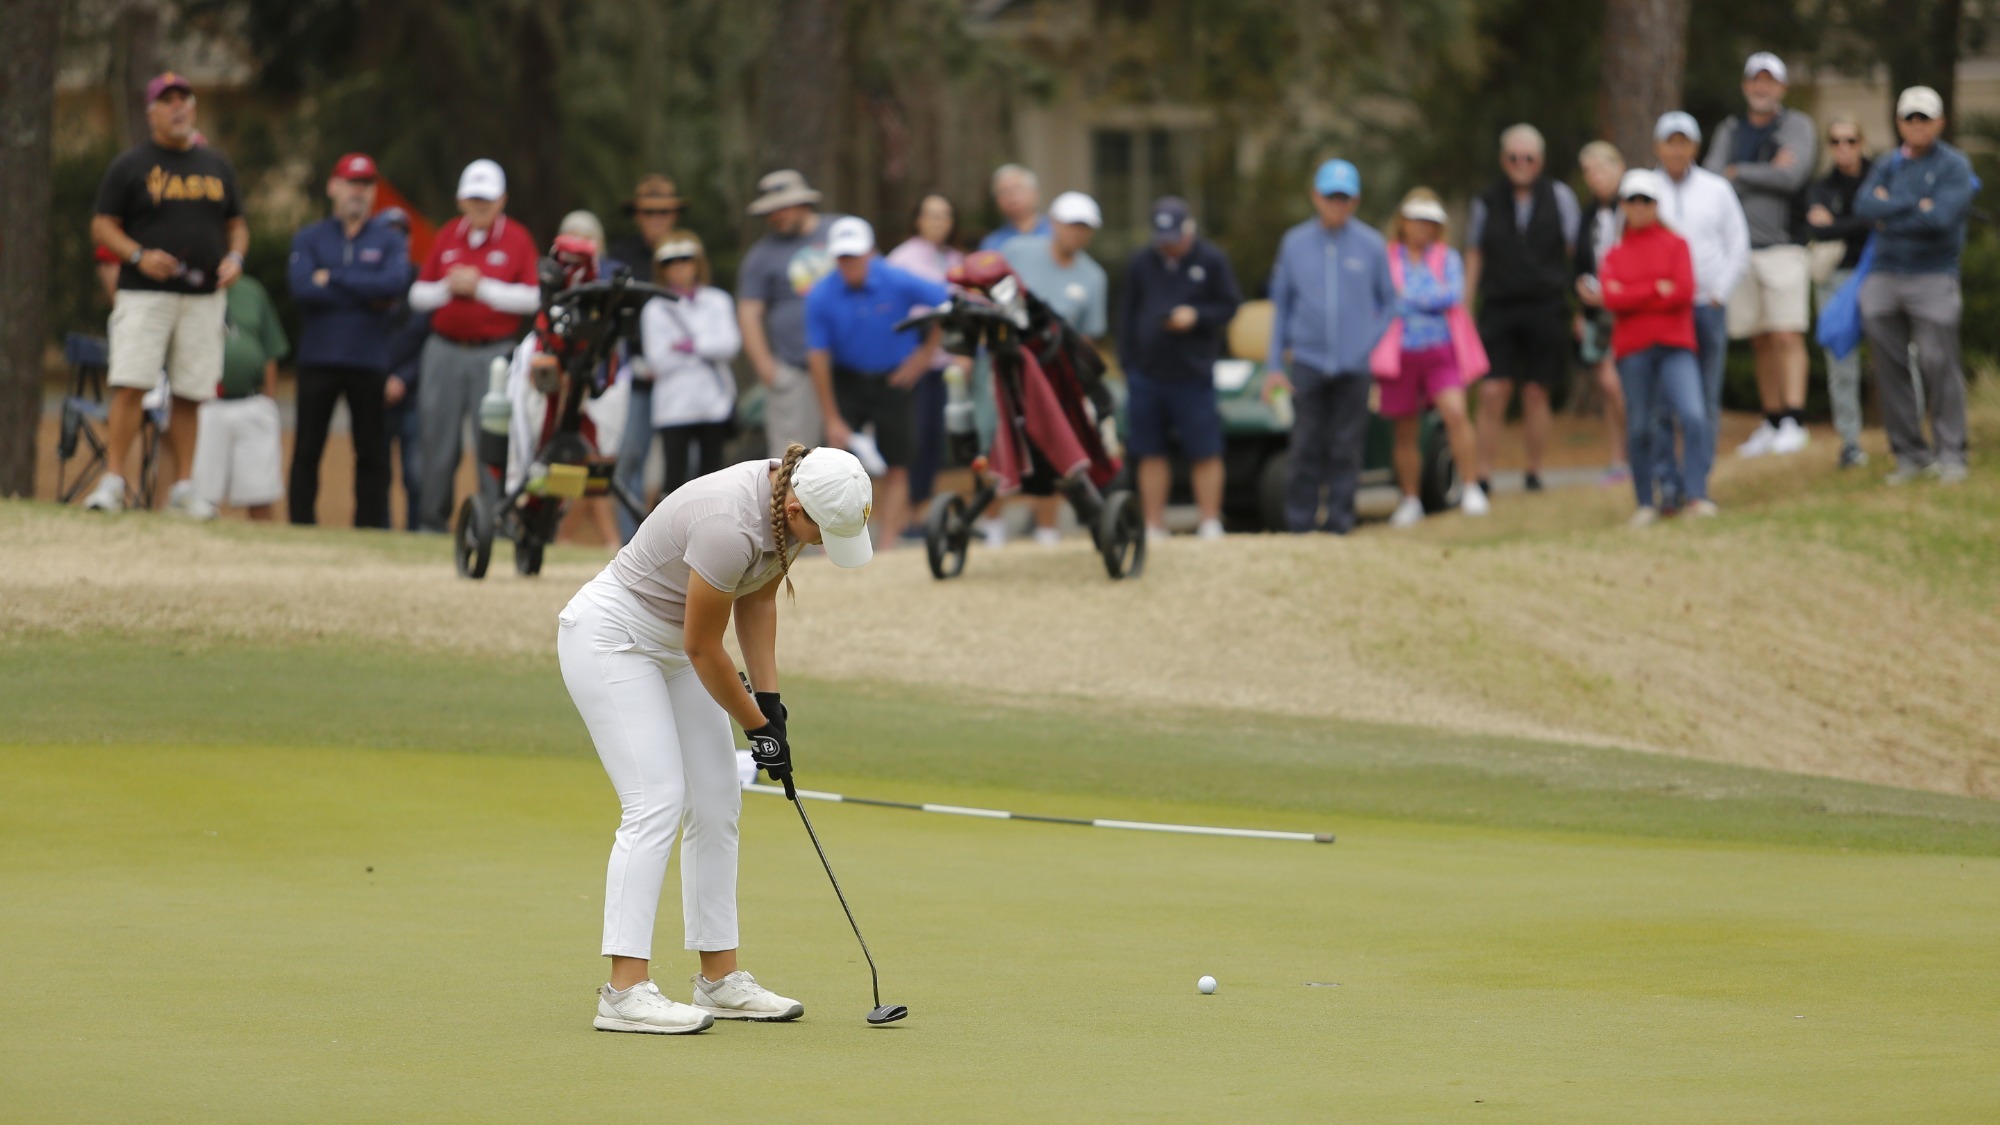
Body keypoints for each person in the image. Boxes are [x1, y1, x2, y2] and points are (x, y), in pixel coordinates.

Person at [558, 442, 877, 1034]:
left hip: (676, 645)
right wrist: (755, 728)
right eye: (821, 533)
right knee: (654, 801)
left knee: (716, 799)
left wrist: (771, 707)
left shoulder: (789, 509)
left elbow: (757, 601)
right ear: (797, 508)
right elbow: (704, 647)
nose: (819, 545)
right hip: (614, 637)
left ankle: (719, 979)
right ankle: (623, 992)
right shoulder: (728, 525)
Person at [84, 72, 249, 515]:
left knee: (191, 392)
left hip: (203, 297)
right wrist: (137, 255)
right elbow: (102, 226)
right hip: (145, 294)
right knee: (131, 385)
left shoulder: (216, 165)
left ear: (193, 108)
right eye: (168, 100)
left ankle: (183, 487)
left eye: (184, 99)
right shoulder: (131, 164)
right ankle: (113, 482)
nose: (178, 107)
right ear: (151, 113)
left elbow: (237, 225)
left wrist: (236, 258)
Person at [407, 159, 540, 532]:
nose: (480, 205)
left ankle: (496, 523)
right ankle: (431, 524)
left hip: (494, 353)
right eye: (474, 198)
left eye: (487, 199)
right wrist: (448, 288)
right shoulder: (448, 235)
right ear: (461, 200)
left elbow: (533, 298)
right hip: (444, 350)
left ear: (502, 201)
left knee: (494, 441)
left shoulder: (517, 238)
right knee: (437, 440)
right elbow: (418, 295)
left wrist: (482, 289)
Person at [1265, 160, 1397, 535]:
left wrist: (1367, 342)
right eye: (1330, 197)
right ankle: (1300, 523)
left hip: (1353, 365)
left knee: (1346, 447)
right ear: (1315, 197)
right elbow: (1282, 307)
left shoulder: (1371, 244)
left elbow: (1389, 302)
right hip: (1307, 361)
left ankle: (1340, 521)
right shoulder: (1294, 243)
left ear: (1355, 201)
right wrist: (1273, 364)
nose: (1336, 205)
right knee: (1304, 444)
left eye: (1344, 198)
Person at [1853, 86, 1975, 486]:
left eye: (1924, 118)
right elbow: (1864, 206)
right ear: (1899, 122)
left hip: (1934, 275)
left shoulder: (1954, 165)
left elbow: (1941, 219)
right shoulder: (1887, 163)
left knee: (1939, 364)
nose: (1917, 124)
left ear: (1940, 122)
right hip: (1885, 275)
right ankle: (1910, 456)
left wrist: (1890, 210)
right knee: (1888, 368)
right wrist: (1916, 203)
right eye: (1910, 118)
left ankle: (1951, 453)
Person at [286, 153, 412, 527]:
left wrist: (334, 278)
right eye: (351, 183)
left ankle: (369, 528)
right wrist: (365, 291)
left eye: (365, 184)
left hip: (368, 358)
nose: (357, 191)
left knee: (371, 452)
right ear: (333, 187)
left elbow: (393, 284)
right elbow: (303, 288)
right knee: (307, 448)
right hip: (318, 357)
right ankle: (301, 524)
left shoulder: (389, 240)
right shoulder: (310, 237)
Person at [805, 217, 948, 546]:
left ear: (870, 253)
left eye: (855, 255)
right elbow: (818, 357)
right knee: (833, 461)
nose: (849, 263)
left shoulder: (895, 278)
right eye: (843, 256)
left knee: (898, 462)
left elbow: (945, 304)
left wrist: (924, 356)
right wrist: (831, 417)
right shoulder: (821, 295)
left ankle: (886, 546)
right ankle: (834, 546)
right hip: (846, 379)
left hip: (895, 380)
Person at [1707, 52, 1818, 458]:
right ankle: (1771, 421)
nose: (1762, 87)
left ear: (1782, 88)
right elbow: (1712, 178)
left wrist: (1739, 172)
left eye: (1770, 81)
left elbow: (1792, 176)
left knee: (1786, 334)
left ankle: (1794, 420)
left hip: (1784, 245)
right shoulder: (1731, 128)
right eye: (1756, 80)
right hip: (1740, 251)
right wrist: (1763, 170)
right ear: (1745, 85)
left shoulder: (1797, 126)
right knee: (1760, 338)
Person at [1118, 197, 1241, 541]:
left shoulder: (1212, 259)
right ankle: (1154, 524)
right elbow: (1127, 314)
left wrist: (1196, 316)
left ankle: (1209, 521)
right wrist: (1129, 365)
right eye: (1162, 239)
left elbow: (1230, 305)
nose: (1168, 246)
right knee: (1149, 451)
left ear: (1189, 230)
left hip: (1193, 373)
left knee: (1205, 449)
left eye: (1174, 238)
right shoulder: (1142, 262)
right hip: (1147, 374)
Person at [1467, 123, 1579, 496]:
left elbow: (1574, 251)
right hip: (1498, 305)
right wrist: (1465, 308)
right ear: (1504, 160)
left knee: (1536, 391)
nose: (1521, 164)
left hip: (1546, 306)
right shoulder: (1485, 201)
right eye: (1514, 157)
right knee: (1493, 390)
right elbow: (1474, 254)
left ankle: (1533, 472)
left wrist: (1580, 304)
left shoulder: (1560, 197)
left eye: (1528, 158)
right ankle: (1482, 474)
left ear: (1540, 161)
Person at [1600, 169, 1715, 525]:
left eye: (1646, 201)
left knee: (1692, 415)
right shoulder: (1614, 253)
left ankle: (1695, 494)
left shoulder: (1676, 244)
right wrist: (1655, 288)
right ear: (1623, 206)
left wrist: (1633, 292)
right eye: (1632, 200)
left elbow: (1682, 291)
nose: (1639, 207)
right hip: (1633, 349)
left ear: (1655, 205)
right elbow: (1611, 298)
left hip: (1675, 345)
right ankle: (1646, 501)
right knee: (1640, 425)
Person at [1000, 190, 1111, 546]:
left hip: (1054, 374)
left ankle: (1046, 529)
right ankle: (992, 529)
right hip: (1006, 364)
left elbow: (1087, 339)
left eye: (1084, 227)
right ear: (1053, 224)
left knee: (1051, 445)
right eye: (1071, 224)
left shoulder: (1093, 277)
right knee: (996, 442)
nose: (1076, 233)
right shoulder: (1017, 251)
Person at [1652, 111, 1750, 511]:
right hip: (1660, 312)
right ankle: (1667, 485)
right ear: (1658, 147)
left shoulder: (1716, 189)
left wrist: (1720, 292)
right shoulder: (1644, 190)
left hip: (1705, 306)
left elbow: (1738, 244)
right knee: (1662, 402)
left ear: (1694, 146)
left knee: (1704, 401)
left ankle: (1697, 485)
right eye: (1670, 142)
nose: (1677, 150)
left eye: (1683, 142)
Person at [1373, 189, 1487, 528]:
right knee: (1405, 429)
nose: (1424, 228)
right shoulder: (1387, 257)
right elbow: (1381, 299)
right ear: (1403, 222)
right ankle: (1410, 500)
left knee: (1456, 413)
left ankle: (1471, 488)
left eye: (1431, 222)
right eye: (1418, 221)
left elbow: (1451, 294)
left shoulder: (1445, 257)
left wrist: (1406, 298)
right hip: (1399, 354)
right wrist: (1421, 298)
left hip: (1440, 351)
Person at [738, 170, 845, 457]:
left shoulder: (839, 232)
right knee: (794, 460)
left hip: (847, 368)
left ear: (803, 203)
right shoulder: (761, 255)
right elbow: (749, 312)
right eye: (770, 211)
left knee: (854, 461)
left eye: (783, 207)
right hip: (796, 371)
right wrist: (766, 367)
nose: (776, 216)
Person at [610, 175, 687, 542]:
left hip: (682, 377)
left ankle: (682, 543)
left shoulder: (687, 252)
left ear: (674, 214)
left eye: (663, 212)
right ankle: (633, 543)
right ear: (637, 215)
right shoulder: (622, 256)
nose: (656, 218)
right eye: (649, 212)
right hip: (636, 372)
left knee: (683, 463)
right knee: (629, 459)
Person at [885, 193, 968, 521]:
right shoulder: (901, 259)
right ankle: (904, 512)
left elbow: (962, 310)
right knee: (912, 439)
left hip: (944, 363)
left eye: (945, 215)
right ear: (917, 220)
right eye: (932, 215)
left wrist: (965, 354)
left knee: (935, 438)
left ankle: (923, 509)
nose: (939, 222)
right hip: (910, 361)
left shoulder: (956, 260)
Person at [644, 234, 742, 497]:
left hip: (712, 403)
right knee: (673, 479)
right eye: (670, 262)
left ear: (697, 263)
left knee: (714, 477)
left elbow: (730, 345)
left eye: (685, 260)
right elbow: (658, 360)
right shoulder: (655, 308)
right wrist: (707, 347)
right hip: (674, 406)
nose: (678, 267)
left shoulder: (718, 301)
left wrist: (692, 346)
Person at [1806, 115, 1876, 468]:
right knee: (1841, 364)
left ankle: (1910, 436)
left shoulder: (1879, 176)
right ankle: (1850, 443)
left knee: (1897, 357)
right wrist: (1864, 222)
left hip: (1879, 276)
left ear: (1861, 142)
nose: (1843, 147)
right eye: (1835, 141)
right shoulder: (1821, 186)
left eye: (1850, 140)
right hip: (1836, 279)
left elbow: (1884, 219)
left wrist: (1838, 224)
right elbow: (1819, 231)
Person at [191, 270, 288, 521]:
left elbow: (270, 348)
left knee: (260, 491)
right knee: (199, 495)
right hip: (205, 404)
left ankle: (261, 545)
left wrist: (268, 400)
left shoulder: (252, 291)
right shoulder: (191, 286)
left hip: (252, 402)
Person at [560, 210, 627, 549]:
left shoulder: (613, 274)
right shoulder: (557, 277)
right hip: (567, 376)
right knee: (572, 457)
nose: (581, 245)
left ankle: (598, 537)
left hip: (607, 377)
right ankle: (573, 535)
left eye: (586, 238)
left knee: (599, 458)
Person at [1574, 140, 1632, 485]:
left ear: (1619, 167)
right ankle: (1617, 459)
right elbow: (1582, 262)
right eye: (1588, 171)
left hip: (1628, 306)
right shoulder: (1590, 215)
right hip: (1597, 311)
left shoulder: (1635, 208)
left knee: (1621, 384)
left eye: (1601, 168)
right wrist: (1582, 303)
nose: (1594, 177)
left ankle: (1638, 452)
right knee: (1607, 385)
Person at [978, 164, 1052, 252]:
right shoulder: (991, 244)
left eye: (1017, 188)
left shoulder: (1057, 233)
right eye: (1003, 191)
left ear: (1035, 193)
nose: (1010, 195)